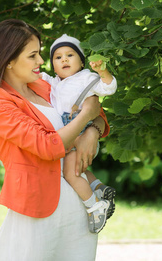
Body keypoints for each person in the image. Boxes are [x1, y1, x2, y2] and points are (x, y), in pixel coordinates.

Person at [0, 19, 110, 261]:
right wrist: (87, 117)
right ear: (9, 60)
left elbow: (96, 112)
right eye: (33, 55)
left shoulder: (44, 84)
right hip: (38, 207)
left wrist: (91, 132)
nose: (41, 62)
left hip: (80, 203)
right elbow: (47, 146)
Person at [41, 34, 118, 233]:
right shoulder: (55, 82)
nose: (64, 59)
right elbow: (39, 76)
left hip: (81, 128)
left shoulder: (87, 78)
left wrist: (102, 71)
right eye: (58, 57)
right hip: (69, 129)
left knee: (71, 173)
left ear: (82, 61)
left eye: (69, 55)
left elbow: (109, 88)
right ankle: (100, 188)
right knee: (78, 169)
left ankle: (95, 206)